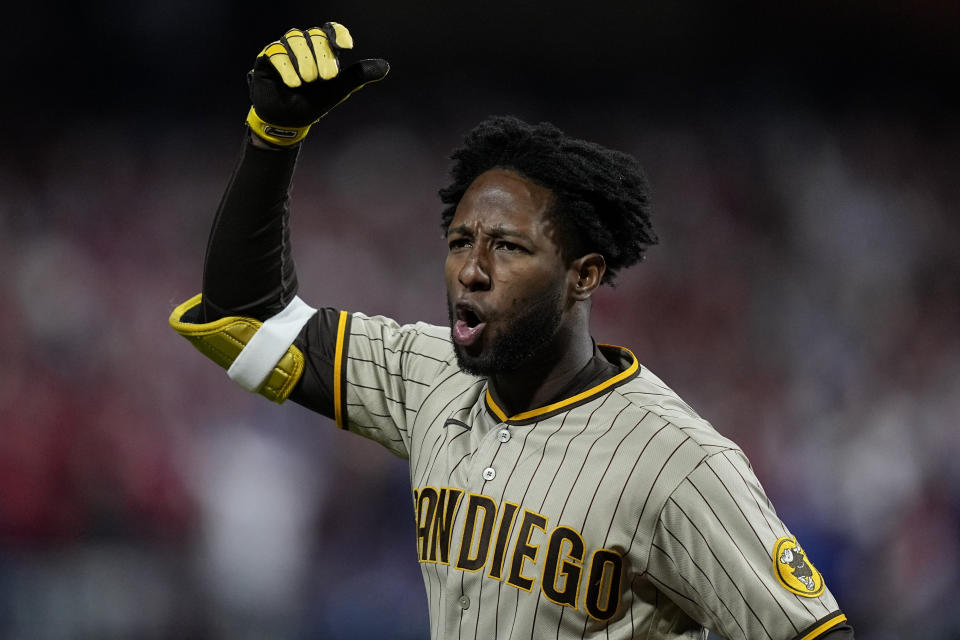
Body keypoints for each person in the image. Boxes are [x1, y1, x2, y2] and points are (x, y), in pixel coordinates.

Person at [169, 23, 854, 640]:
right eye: (461, 240)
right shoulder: (429, 377)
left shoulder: (678, 462)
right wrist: (272, 140)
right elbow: (244, 320)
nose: (472, 269)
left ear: (583, 276)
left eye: (508, 247)